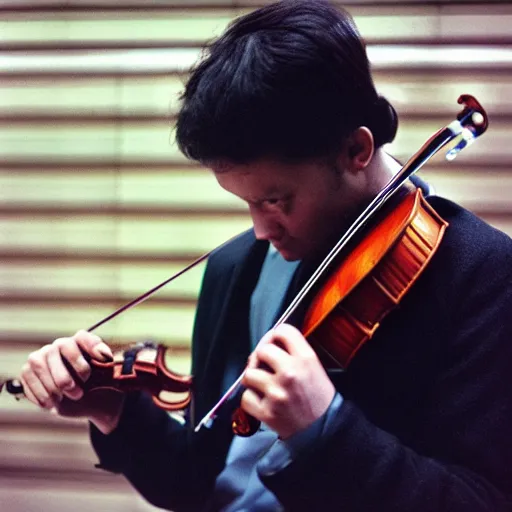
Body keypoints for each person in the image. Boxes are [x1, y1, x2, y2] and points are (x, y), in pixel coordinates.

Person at [18, 1, 512, 510]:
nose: (259, 230)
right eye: (247, 203)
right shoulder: (238, 267)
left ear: (355, 151)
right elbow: (204, 479)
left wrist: (327, 428)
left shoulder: (483, 275)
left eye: (275, 201)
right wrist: (114, 411)